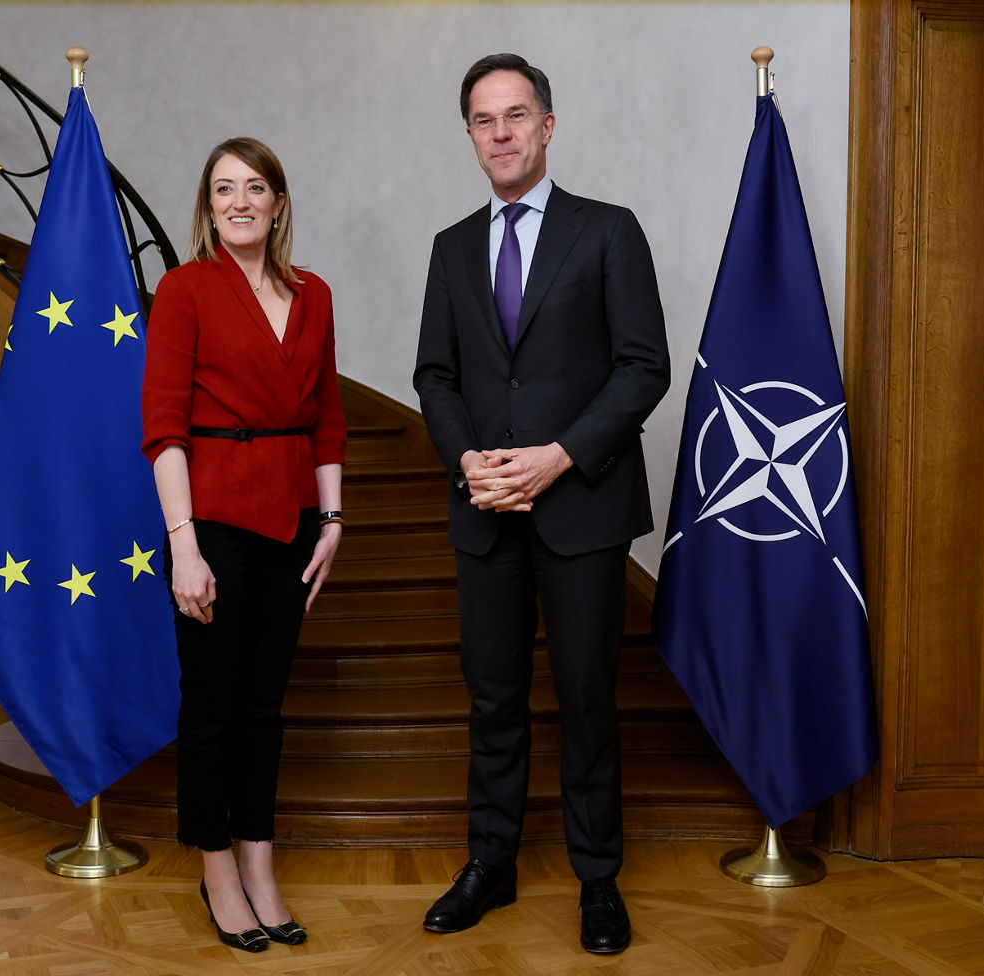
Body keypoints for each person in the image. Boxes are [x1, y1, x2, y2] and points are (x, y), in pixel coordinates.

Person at [412, 54, 669, 954]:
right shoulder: (450, 248)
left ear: (548, 125)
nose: (503, 132)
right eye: (485, 120)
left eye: (517, 115)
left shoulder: (608, 232)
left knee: (589, 697)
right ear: (472, 137)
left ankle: (599, 878)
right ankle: (492, 864)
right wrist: (469, 461)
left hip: (582, 507)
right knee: (493, 697)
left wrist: (558, 457)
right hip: (484, 511)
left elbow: (645, 366)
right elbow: (434, 378)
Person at [142, 137, 346, 953]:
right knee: (214, 707)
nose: (238, 201)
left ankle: (261, 862)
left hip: (293, 520)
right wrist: (182, 546)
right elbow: (162, 427)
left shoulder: (316, 294)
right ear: (208, 206)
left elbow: (328, 413)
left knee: (265, 708)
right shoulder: (185, 289)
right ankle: (216, 866)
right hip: (213, 521)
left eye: (254, 187)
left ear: (279, 203)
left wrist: (332, 522)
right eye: (223, 189)